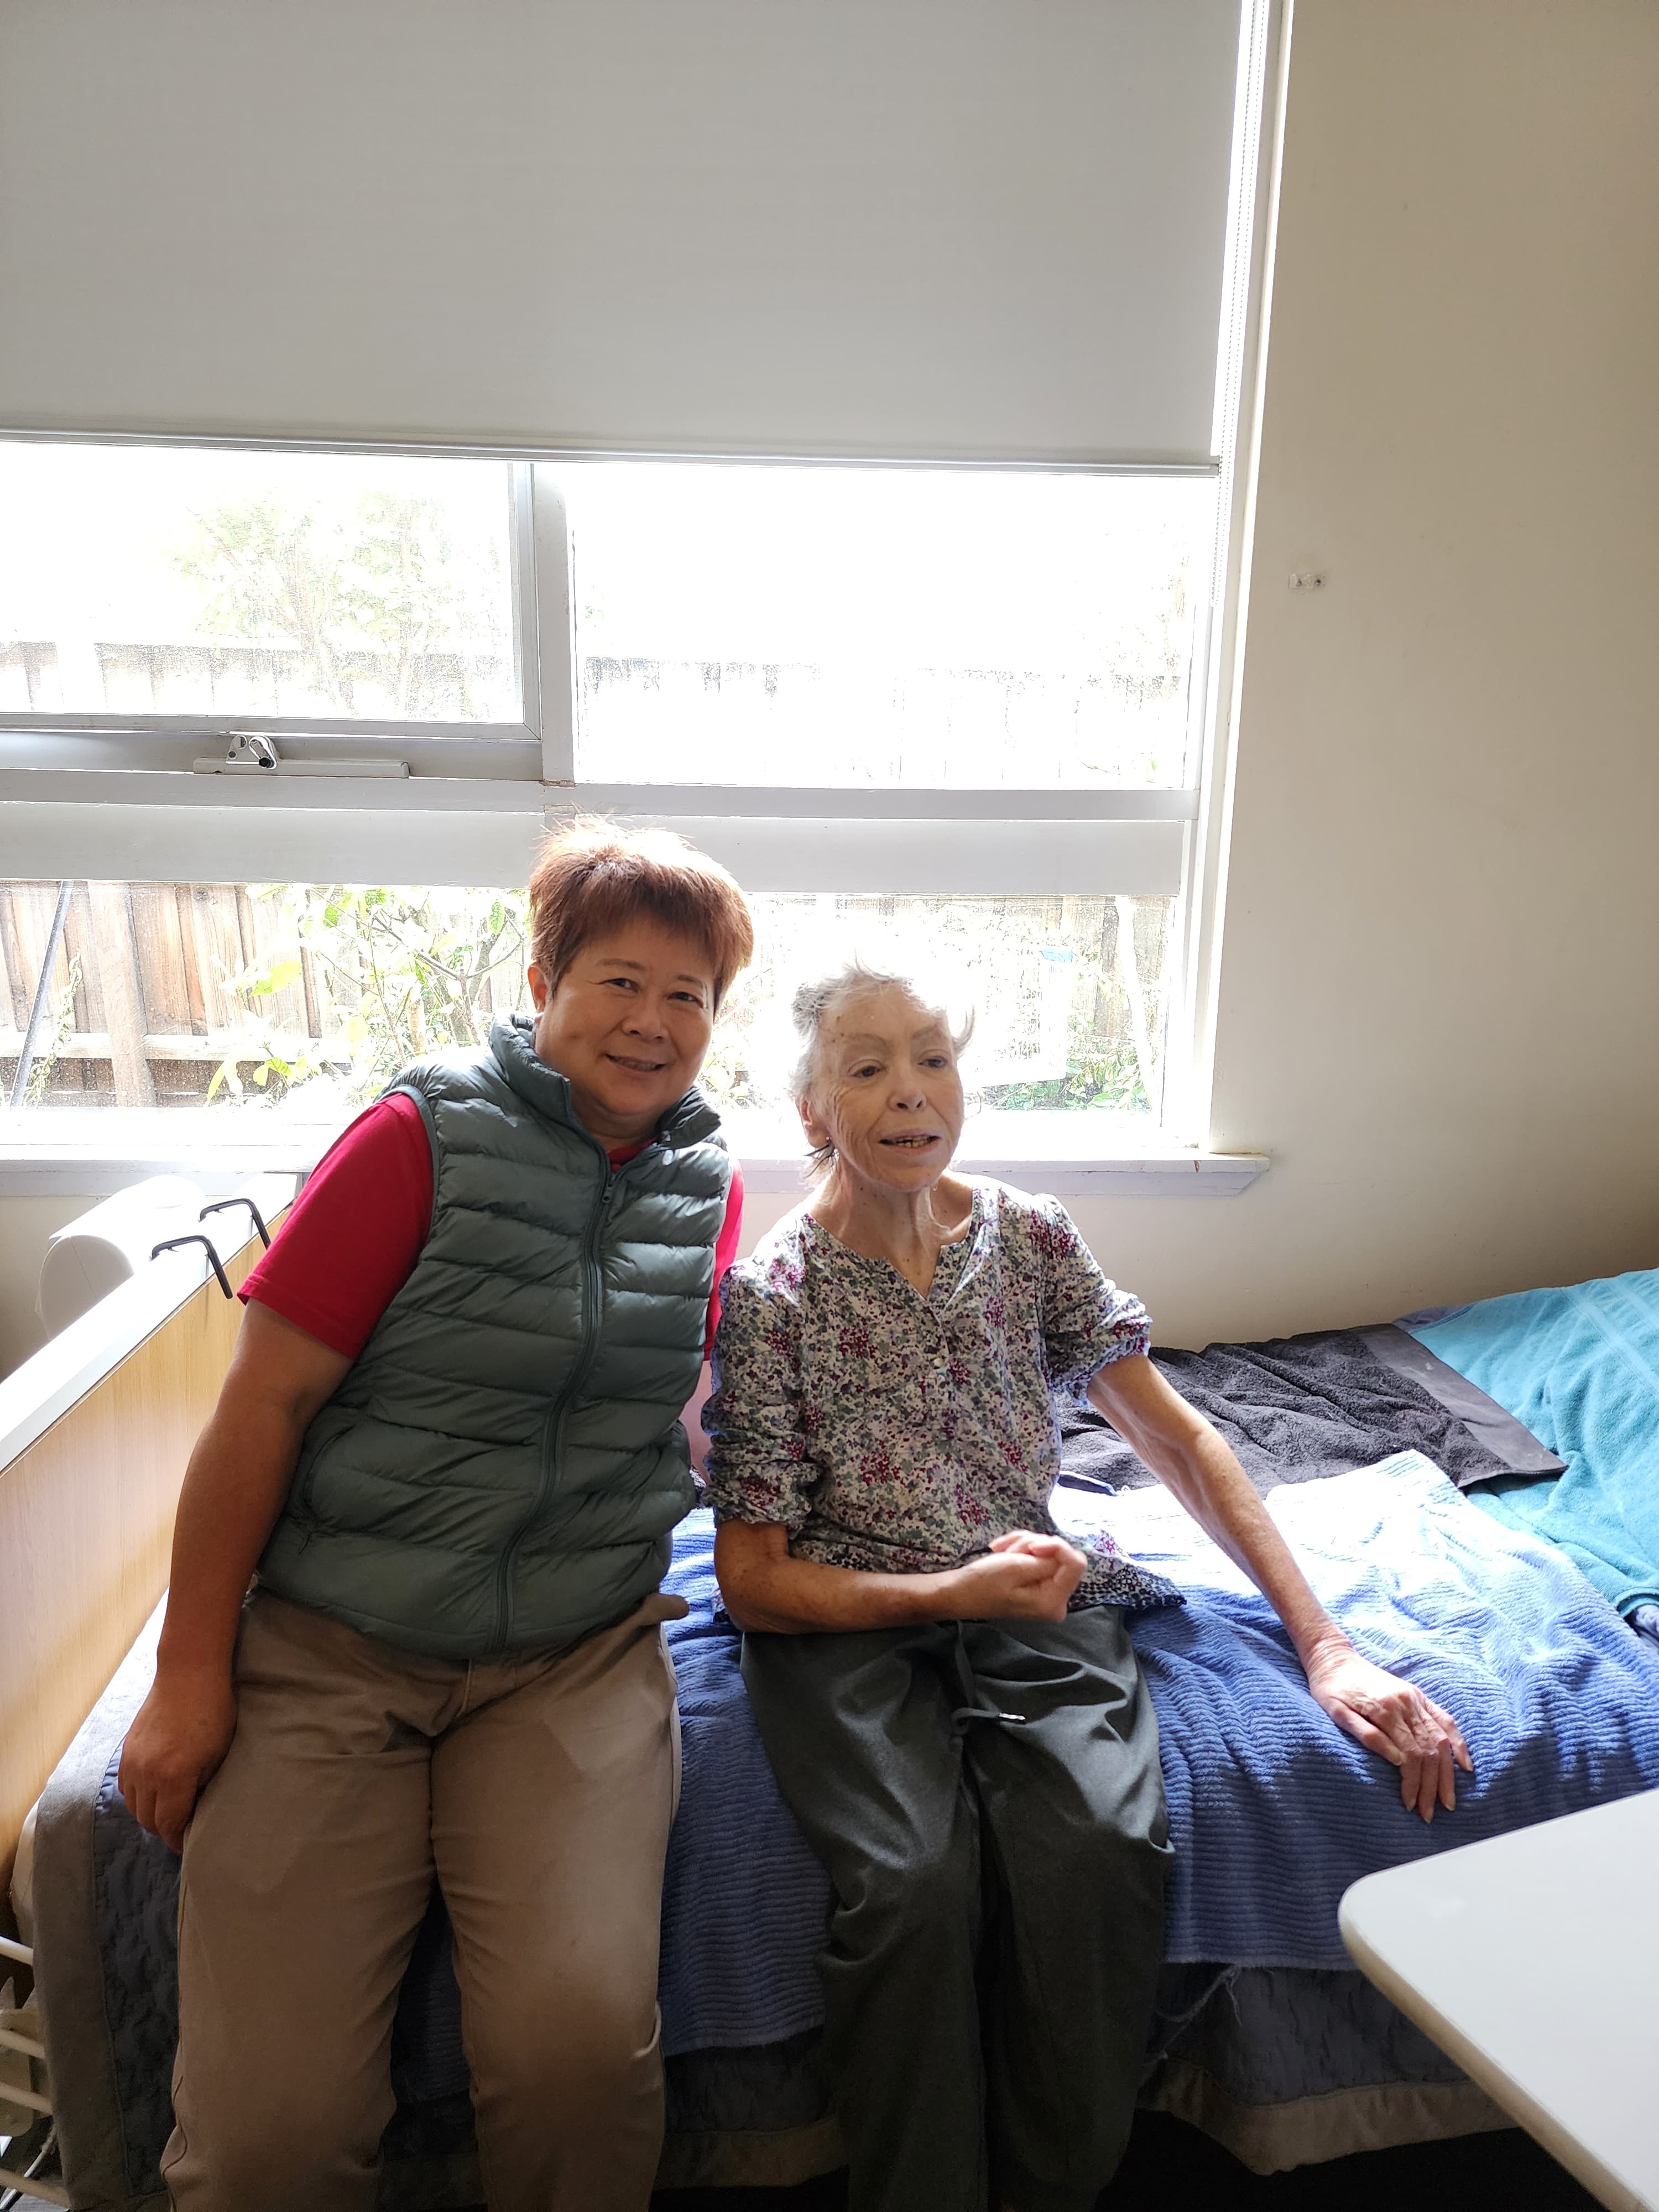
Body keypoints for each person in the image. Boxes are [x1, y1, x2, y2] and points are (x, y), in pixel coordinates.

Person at [704, 962, 1473, 2212]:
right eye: (867, 1067)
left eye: (933, 1058)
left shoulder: (1027, 1234)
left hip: (1034, 1596)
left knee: (1101, 1846)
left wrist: (1324, 1641)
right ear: (812, 1112)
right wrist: (954, 1589)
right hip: (845, 1621)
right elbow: (752, 1578)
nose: (911, 1091)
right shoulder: (771, 1295)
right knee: (909, 1889)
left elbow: (1177, 1438)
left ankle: (1055, 2186)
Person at [117, 821, 754, 2212]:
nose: (652, 1022)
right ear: (543, 980)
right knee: (267, 2134)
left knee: (584, 2058)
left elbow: (688, 1415)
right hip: (336, 1648)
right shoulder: (416, 1137)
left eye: (689, 995)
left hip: (572, 1663)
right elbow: (260, 1407)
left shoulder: (711, 1186)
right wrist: (187, 1669)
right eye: (619, 981)